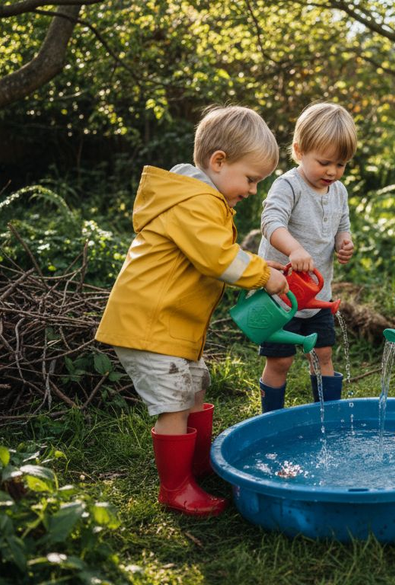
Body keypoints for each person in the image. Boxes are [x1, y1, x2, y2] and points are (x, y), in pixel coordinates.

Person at [95, 106, 289, 516]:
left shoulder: (200, 200)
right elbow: (216, 258)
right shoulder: (195, 201)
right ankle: (176, 487)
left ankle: (198, 467)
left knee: (196, 387)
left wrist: (258, 266)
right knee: (175, 403)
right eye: (251, 178)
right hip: (151, 324)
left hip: (173, 325)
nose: (253, 189)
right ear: (219, 161)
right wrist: (261, 275)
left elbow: (214, 253)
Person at [256, 102, 356, 412]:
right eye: (324, 162)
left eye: (340, 164)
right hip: (281, 296)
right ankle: (271, 419)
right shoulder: (289, 185)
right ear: (299, 151)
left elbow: (342, 225)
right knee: (281, 360)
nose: (332, 171)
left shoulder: (338, 191)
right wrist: (294, 249)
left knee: (323, 354)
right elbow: (270, 221)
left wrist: (344, 242)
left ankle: (327, 417)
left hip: (318, 298)